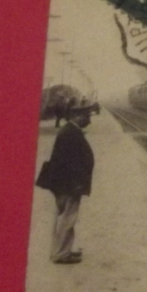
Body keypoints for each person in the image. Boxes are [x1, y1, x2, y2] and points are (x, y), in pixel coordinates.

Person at [36, 107, 95, 264]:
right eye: (86, 116)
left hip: (65, 183)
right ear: (76, 116)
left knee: (64, 217)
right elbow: (67, 163)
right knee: (67, 218)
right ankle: (61, 254)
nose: (89, 120)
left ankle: (61, 250)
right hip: (69, 184)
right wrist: (75, 184)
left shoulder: (69, 130)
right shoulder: (70, 133)